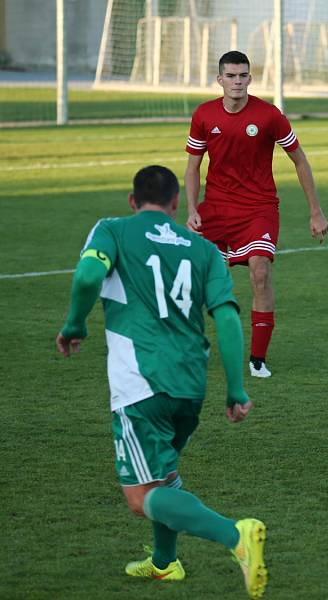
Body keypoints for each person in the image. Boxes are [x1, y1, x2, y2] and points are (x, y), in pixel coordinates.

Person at [56, 166, 268, 598]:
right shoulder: (204, 249)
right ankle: (164, 563)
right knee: (165, 474)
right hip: (190, 382)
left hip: (140, 381)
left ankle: (235, 536)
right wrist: (235, 389)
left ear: (133, 201)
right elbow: (227, 318)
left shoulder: (113, 229)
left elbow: (87, 276)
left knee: (140, 496)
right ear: (175, 205)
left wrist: (75, 324)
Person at [185, 50, 328, 379]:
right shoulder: (204, 115)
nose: (238, 81)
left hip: (259, 208)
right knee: (196, 277)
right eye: (231, 76)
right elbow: (193, 166)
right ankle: (198, 341)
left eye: (243, 75)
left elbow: (299, 160)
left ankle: (258, 358)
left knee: (260, 272)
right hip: (217, 207)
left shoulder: (268, 116)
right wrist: (192, 209)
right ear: (220, 79)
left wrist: (315, 212)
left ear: (250, 78)